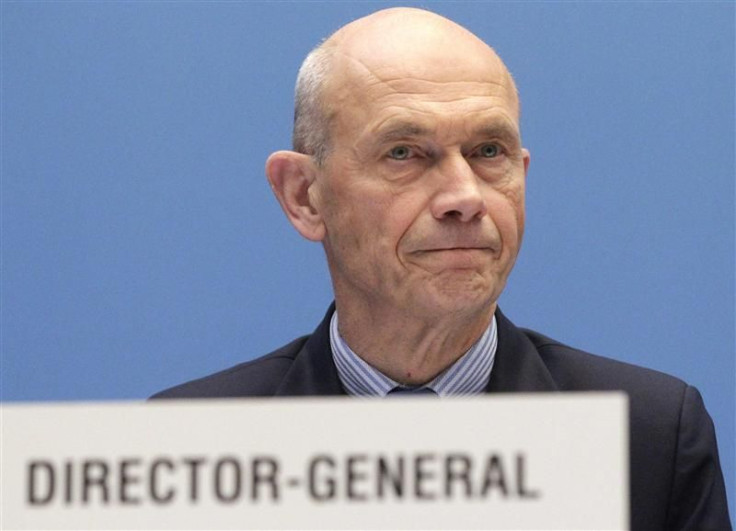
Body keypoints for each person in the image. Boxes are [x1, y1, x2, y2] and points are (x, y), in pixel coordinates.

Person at [153, 7, 730, 530]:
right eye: (404, 153)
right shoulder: (186, 449)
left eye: (488, 153)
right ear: (305, 195)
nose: (465, 196)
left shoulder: (648, 438)